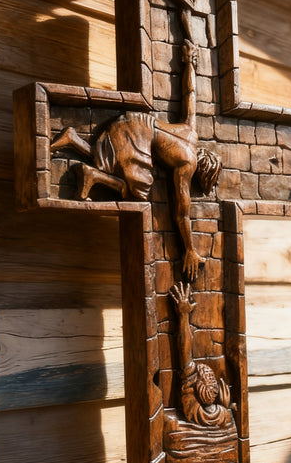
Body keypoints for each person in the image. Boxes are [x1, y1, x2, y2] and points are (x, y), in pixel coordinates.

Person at [50, 34, 221, 282]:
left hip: (131, 122)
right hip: (138, 135)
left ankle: (74, 140)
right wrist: (190, 250)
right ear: (205, 171)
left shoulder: (191, 131)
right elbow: (182, 212)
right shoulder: (187, 164)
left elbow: (190, 93)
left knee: (116, 165)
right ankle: (92, 176)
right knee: (139, 191)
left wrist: (190, 63)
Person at [168, 281, 235, 428]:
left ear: (196, 386)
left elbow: (185, 352)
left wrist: (183, 316)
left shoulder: (192, 407)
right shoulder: (224, 415)